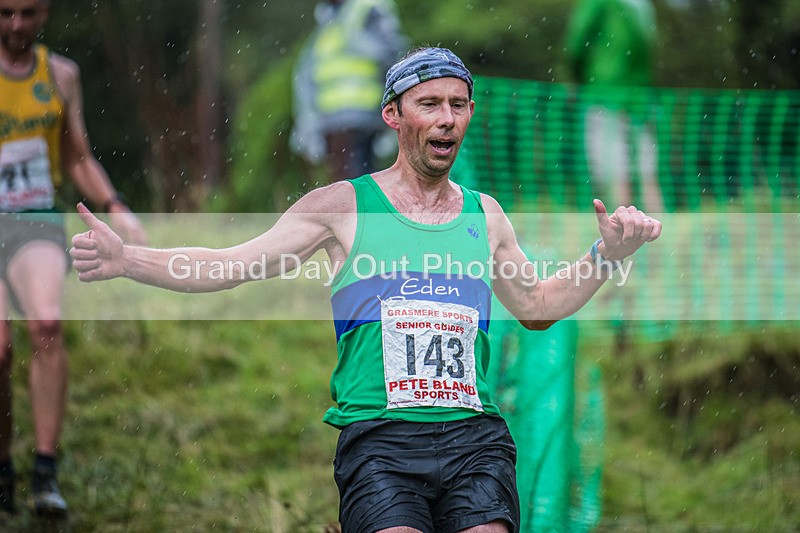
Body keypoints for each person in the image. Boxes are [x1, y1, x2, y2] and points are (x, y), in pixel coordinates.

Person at [70, 47, 661, 532]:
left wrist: (606, 256)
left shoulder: (488, 216)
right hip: (380, 441)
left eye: (458, 105)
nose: (446, 118)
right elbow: (228, 263)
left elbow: (535, 307)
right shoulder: (340, 208)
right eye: (429, 104)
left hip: (474, 437)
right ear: (394, 116)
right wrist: (128, 259)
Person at [0, 0, 146, 517]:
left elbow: (76, 155)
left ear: (45, 13)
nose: (17, 24)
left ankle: (44, 470)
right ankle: (2, 467)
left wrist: (114, 206)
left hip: (34, 218)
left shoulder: (60, 75)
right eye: (5, 12)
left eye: (29, 13)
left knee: (46, 325)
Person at [565, 0, 665, 213]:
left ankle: (620, 239)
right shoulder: (641, 6)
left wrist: (575, 79)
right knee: (647, 176)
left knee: (615, 175)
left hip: (603, 95)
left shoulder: (599, 3)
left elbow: (576, 41)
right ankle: (662, 240)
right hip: (639, 99)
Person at [291, 0, 406, 181]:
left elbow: (393, 57)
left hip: (362, 120)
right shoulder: (327, 19)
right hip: (332, 124)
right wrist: (309, 124)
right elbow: (308, 73)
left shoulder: (367, 9)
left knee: (358, 186)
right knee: (345, 186)